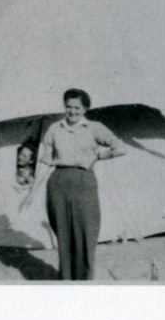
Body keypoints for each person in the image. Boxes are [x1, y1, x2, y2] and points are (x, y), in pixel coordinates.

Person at [35, 88, 126, 280]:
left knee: (86, 233)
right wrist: (31, 192)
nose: (72, 111)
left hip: (84, 181)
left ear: (85, 109)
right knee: (63, 234)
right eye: (69, 106)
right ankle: (66, 280)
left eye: (77, 107)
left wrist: (98, 156)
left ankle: (84, 282)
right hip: (58, 182)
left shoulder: (94, 127)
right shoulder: (54, 129)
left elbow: (120, 148)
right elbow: (45, 161)